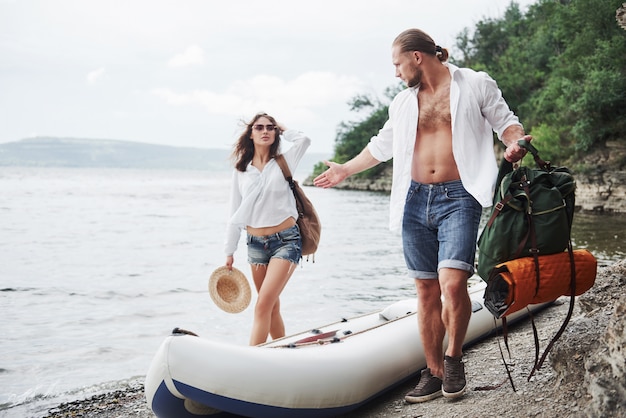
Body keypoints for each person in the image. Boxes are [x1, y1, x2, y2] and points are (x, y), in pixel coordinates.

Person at [313, 28, 531, 403]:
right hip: (413, 201)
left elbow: (506, 121)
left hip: (458, 196)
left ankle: (453, 359)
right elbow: (380, 147)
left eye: (397, 64)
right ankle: (431, 373)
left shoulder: (474, 83)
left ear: (417, 56)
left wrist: (514, 143)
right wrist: (345, 170)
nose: (395, 73)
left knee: (452, 283)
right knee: (426, 291)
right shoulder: (402, 102)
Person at [224, 112, 311, 346]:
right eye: (259, 127)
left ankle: (251, 360)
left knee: (262, 304)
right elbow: (235, 212)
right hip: (255, 245)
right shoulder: (241, 170)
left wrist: (284, 127)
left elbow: (304, 140)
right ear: (250, 134)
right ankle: (283, 354)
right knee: (271, 306)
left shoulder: (285, 160)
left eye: (270, 128)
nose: (265, 131)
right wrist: (229, 251)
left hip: (286, 241)